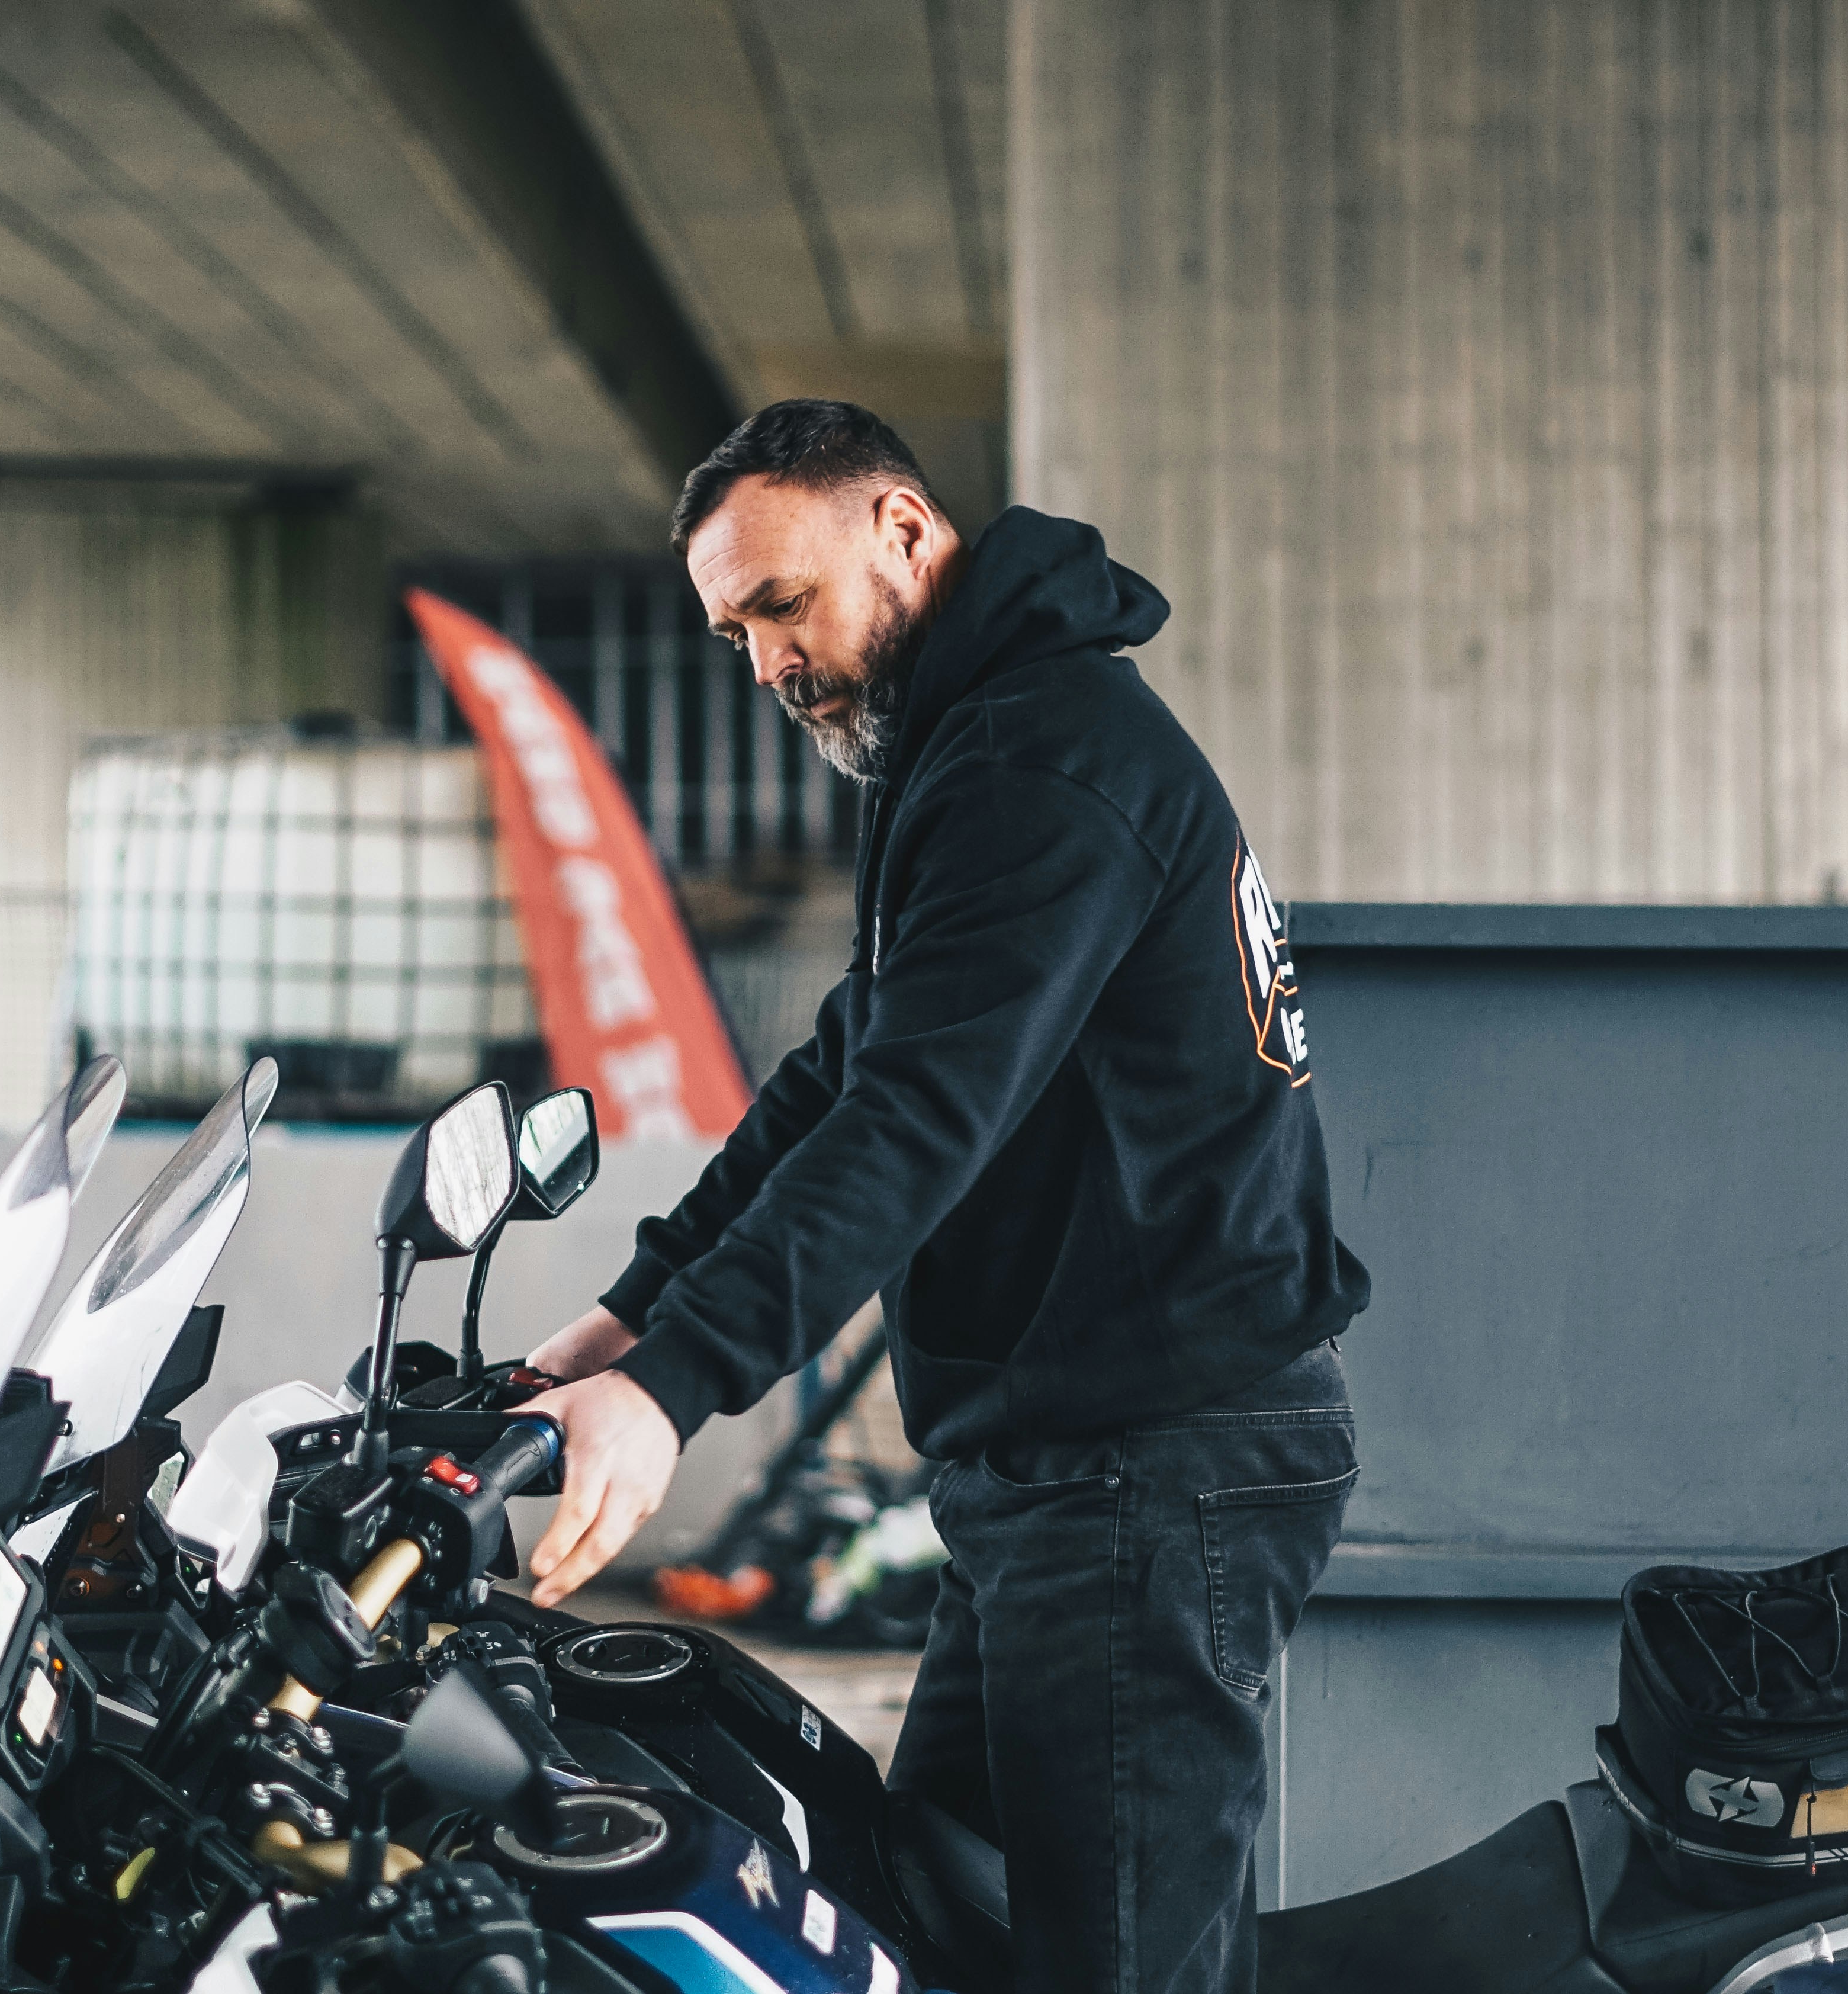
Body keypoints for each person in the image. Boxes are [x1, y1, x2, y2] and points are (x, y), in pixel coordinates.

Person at [513, 399, 1371, 1994]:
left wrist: (677, 1392)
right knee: (932, 1923)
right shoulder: (975, 749)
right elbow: (850, 1065)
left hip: (1151, 1466)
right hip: (1061, 1468)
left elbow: (917, 1121)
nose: (769, 660)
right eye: (734, 632)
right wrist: (626, 1322)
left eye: (785, 603)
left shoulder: (1046, 760)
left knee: (1108, 1970)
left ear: (903, 532)